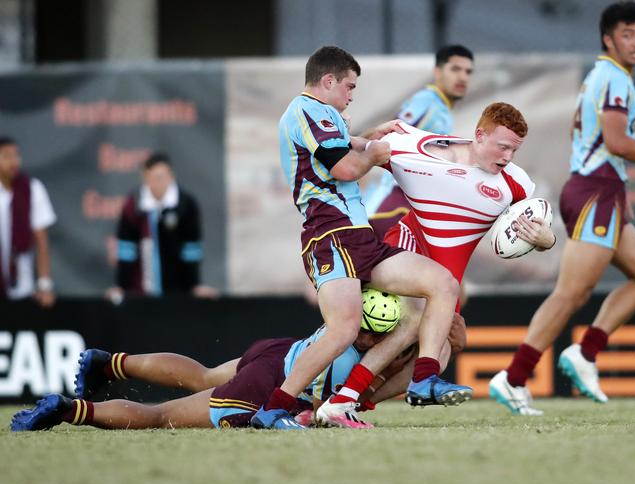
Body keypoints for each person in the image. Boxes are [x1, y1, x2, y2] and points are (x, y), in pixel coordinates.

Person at [251, 45, 471, 430]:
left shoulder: (321, 115)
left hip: (359, 237)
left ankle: (423, 380)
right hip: (330, 234)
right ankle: (273, 409)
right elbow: (347, 168)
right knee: (343, 330)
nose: (352, 95)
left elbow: (344, 145)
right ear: (328, 80)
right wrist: (377, 152)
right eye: (349, 87)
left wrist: (370, 137)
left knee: (442, 284)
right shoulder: (308, 109)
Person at [327, 103, 556, 419]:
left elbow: (536, 230)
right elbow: (354, 147)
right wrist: (368, 132)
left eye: (514, 151)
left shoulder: (516, 184)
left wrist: (546, 240)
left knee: (449, 347)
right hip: (406, 247)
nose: (507, 157)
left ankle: (358, 401)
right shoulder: (411, 145)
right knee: (412, 323)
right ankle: (342, 401)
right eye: (503, 147)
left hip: (446, 277)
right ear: (479, 135)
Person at [489, 1, 635, 415]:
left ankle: (586, 352)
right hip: (596, 191)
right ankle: (513, 377)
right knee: (571, 293)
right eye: (628, 34)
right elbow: (616, 142)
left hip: (603, 190)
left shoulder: (606, 76)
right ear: (608, 39)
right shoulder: (614, 78)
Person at [11, 288, 404, 431]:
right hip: (267, 387)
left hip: (280, 351)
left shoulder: (347, 312)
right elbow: (324, 407)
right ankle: (69, 410)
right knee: (159, 415)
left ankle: (110, 362)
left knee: (203, 374)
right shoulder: (355, 358)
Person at [365, 44, 474, 239]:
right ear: (437, 72)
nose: (463, 77)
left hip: (406, 207)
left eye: (468, 72)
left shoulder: (443, 111)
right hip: (391, 206)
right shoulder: (427, 101)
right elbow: (389, 136)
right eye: (455, 69)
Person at [106, 152, 217, 302]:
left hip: (178, 291)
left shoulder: (186, 204)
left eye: (161, 177)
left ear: (171, 177)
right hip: (141, 292)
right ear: (144, 179)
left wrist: (195, 285)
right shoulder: (133, 206)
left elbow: (191, 249)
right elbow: (126, 249)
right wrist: (121, 286)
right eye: (152, 178)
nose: (157, 183)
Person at [0, 136, 56, 307]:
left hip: (22, 286)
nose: (13, 161)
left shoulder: (32, 189)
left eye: (16, 155)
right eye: (6, 156)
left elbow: (41, 240)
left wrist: (44, 285)